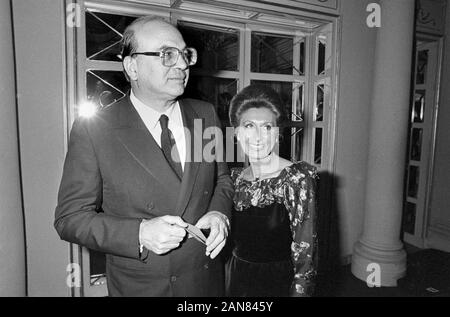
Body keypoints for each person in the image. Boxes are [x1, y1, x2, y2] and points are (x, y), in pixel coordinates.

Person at [54, 16, 233, 297]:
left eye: (185, 54)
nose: (183, 64)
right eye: (167, 55)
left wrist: (219, 212)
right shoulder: (94, 130)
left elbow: (222, 179)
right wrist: (139, 233)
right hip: (141, 287)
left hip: (204, 283)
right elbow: (70, 219)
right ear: (132, 66)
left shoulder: (205, 114)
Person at [225, 84, 318, 297]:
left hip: (277, 284)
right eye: (249, 126)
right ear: (237, 133)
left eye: (267, 127)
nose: (258, 137)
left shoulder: (296, 178)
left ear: (277, 134)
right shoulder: (234, 178)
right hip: (237, 279)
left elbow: (307, 254)